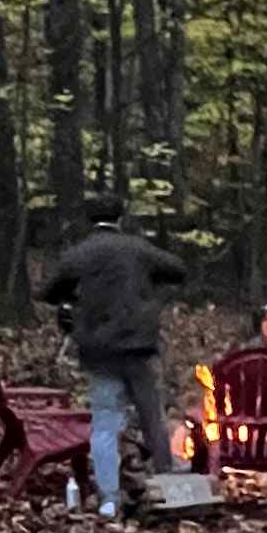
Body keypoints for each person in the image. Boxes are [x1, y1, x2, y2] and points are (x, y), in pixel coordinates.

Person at [41, 208, 191, 517]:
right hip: (138, 349)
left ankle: (109, 499)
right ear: (120, 220)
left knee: (105, 423)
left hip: (100, 351)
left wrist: (74, 299)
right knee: (152, 420)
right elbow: (177, 269)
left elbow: (48, 291)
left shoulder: (80, 253)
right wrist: (152, 300)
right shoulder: (138, 248)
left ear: (91, 222)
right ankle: (168, 489)